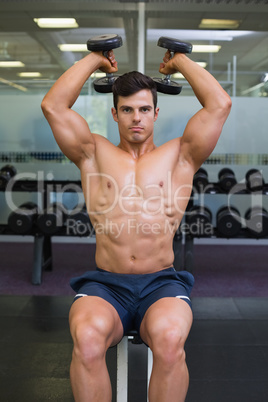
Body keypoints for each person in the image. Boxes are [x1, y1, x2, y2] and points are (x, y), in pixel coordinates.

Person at [41, 43, 231, 401]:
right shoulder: (92, 152)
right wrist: (95, 60)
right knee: (86, 340)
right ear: (115, 114)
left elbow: (219, 104)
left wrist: (180, 62)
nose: (136, 118)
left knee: (171, 340)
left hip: (161, 283)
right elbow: (53, 106)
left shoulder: (181, 155)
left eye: (144, 109)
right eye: (127, 110)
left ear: (156, 112)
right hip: (106, 285)